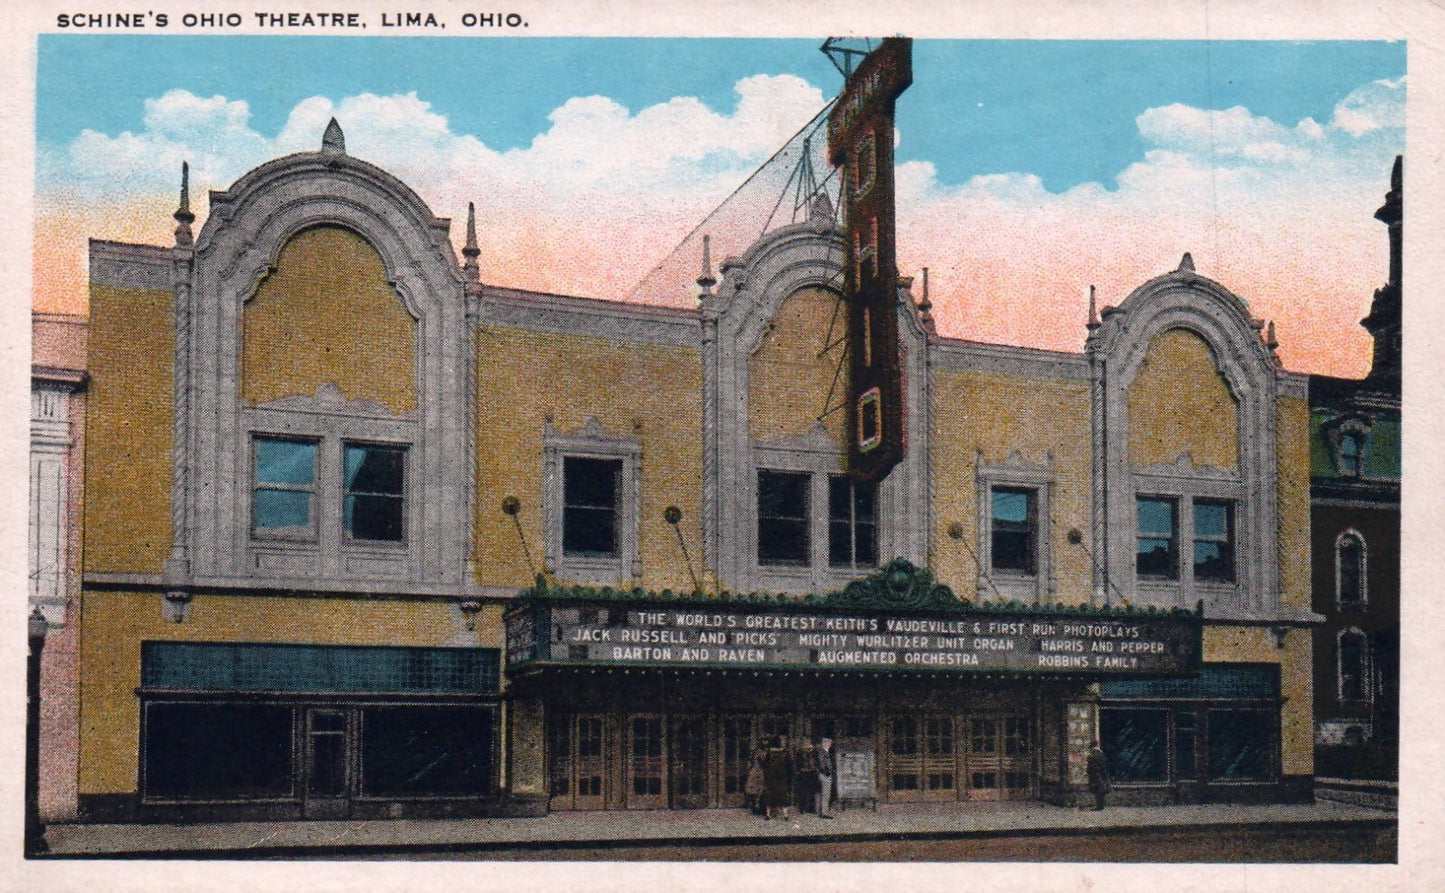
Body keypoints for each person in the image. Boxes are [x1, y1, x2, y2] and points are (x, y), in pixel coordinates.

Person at [760, 736, 793, 820]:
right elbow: (790, 766)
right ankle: (786, 815)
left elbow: (763, 764)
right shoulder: (785, 753)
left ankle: (768, 815)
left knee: (769, 796)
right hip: (782, 777)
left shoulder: (768, 753)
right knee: (783, 796)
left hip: (770, 778)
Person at [793, 740, 820, 816]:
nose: (807, 746)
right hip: (803, 774)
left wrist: (815, 769)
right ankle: (802, 808)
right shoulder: (799, 753)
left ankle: (811, 808)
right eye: (805, 745)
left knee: (812, 791)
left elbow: (817, 762)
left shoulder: (814, 753)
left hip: (812, 773)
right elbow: (797, 763)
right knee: (802, 792)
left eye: (808, 744)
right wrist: (799, 770)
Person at [814, 737, 837, 818]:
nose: (830, 744)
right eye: (829, 743)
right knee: (825, 794)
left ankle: (822, 811)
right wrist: (826, 772)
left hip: (825, 774)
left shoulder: (825, 751)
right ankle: (824, 813)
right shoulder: (822, 752)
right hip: (825, 775)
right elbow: (822, 764)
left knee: (824, 794)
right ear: (825, 743)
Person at [1086, 741, 1111, 810]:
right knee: (1101, 791)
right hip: (1101, 775)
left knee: (1098, 791)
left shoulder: (1094, 754)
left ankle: (1099, 806)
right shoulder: (1100, 753)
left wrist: (1089, 770)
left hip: (1096, 775)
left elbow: (1092, 765)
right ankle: (1100, 806)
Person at [744, 747, 765, 815]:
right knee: (753, 793)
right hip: (753, 777)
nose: (759, 754)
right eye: (757, 753)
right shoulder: (752, 760)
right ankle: (754, 807)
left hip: (760, 777)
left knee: (760, 792)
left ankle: (759, 808)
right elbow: (748, 768)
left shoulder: (763, 761)